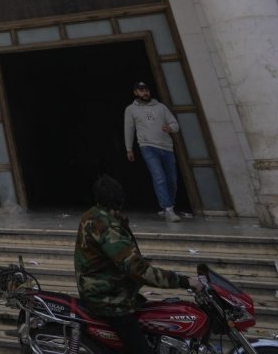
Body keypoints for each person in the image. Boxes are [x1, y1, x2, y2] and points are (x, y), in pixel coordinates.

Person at [76, 175, 203, 354]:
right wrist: (185, 281)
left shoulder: (93, 215)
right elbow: (137, 270)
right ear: (120, 198)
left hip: (112, 290)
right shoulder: (106, 226)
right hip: (108, 300)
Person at [123, 80, 185, 221]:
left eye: (146, 90)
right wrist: (129, 149)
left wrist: (170, 128)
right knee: (159, 177)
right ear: (135, 92)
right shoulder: (131, 109)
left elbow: (175, 124)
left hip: (166, 147)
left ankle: (169, 206)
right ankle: (167, 208)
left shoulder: (161, 107)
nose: (145, 93)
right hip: (148, 146)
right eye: (141, 90)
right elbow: (129, 129)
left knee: (172, 180)